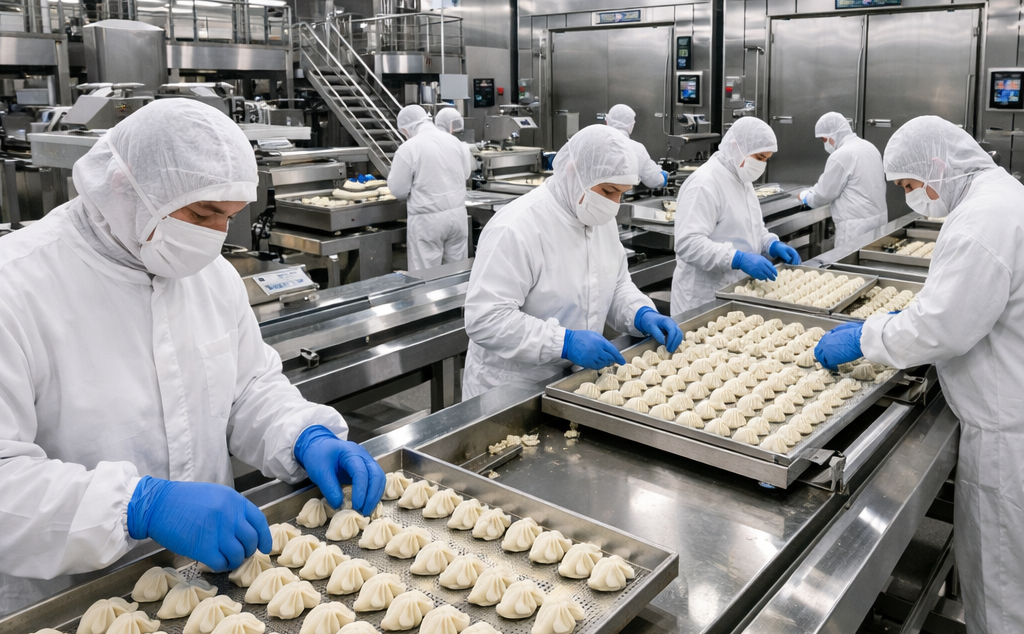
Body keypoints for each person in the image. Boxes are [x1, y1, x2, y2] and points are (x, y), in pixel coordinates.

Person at [0, 100, 385, 596]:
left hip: (206, 578)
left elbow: (247, 389)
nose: (215, 237)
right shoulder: (17, 288)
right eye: (202, 214)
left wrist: (303, 435)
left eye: (227, 218)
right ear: (124, 188)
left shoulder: (210, 275)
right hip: (69, 600)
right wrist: (138, 506)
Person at [814, 115, 1024, 634]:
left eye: (910, 182)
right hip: (1005, 400)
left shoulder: (986, 220)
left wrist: (871, 336)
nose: (911, 193)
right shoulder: (998, 197)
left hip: (1008, 420)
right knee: (1002, 558)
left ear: (936, 170)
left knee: (1000, 562)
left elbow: (944, 329)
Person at [462, 125, 682, 398]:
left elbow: (615, 285)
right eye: (608, 190)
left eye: (621, 194)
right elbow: (486, 319)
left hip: (576, 383)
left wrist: (640, 313)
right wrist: (563, 342)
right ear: (573, 172)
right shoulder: (516, 227)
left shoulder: (600, 219)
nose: (615, 203)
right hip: (511, 390)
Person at [670, 117, 801, 316]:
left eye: (766, 159)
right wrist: (737, 258)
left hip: (736, 291)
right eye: (759, 157)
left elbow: (752, 228)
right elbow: (688, 244)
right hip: (703, 299)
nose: (762, 165)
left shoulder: (742, 178)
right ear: (736, 148)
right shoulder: (704, 183)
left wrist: (770, 244)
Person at [389, 104, 473, 271]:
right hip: (458, 217)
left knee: (425, 277)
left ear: (406, 129)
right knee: (456, 273)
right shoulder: (454, 141)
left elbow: (398, 190)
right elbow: (465, 174)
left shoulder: (409, 148)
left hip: (427, 222)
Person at [797, 112, 888, 247]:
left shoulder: (841, 155)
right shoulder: (868, 146)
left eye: (824, 140)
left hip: (855, 228)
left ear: (832, 136)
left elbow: (823, 195)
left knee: (849, 265)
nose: (825, 144)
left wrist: (805, 197)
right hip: (878, 220)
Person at [605, 103, 669, 189]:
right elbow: (653, 180)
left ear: (607, 122)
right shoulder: (636, 148)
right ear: (631, 125)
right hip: (623, 199)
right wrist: (663, 176)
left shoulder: (593, 143)